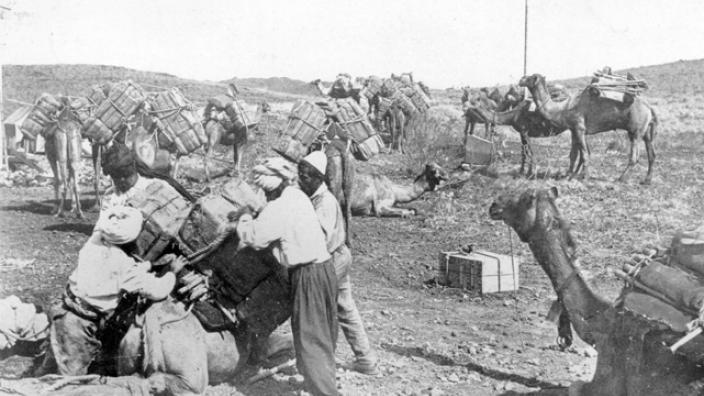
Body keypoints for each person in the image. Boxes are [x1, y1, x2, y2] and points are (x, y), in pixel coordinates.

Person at [229, 157, 339, 396]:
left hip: (308, 274)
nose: (265, 196)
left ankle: (326, 391)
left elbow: (254, 238)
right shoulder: (297, 196)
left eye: (265, 191)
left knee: (310, 338)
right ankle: (322, 381)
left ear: (272, 188)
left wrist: (244, 217)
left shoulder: (278, 207)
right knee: (323, 331)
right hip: (325, 268)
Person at [47, 206, 183, 375]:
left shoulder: (95, 240)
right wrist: (172, 273)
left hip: (63, 310)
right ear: (131, 241)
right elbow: (158, 290)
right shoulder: (125, 267)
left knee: (53, 361)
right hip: (79, 326)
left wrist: (149, 265)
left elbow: (118, 270)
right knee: (70, 380)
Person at [298, 151, 379, 376]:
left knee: (320, 309)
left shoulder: (324, 202)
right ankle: (366, 358)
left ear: (318, 178)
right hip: (339, 255)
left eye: (304, 176)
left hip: (332, 259)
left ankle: (322, 363)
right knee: (345, 306)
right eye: (299, 175)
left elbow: (318, 238)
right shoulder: (316, 197)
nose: (300, 180)